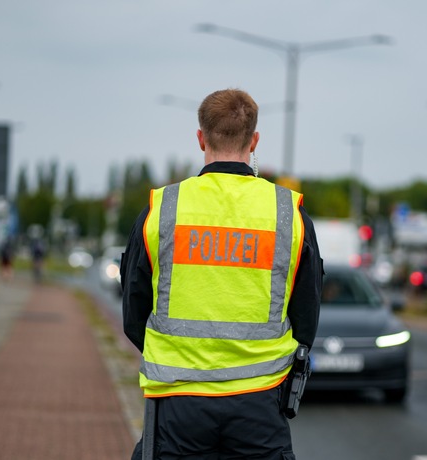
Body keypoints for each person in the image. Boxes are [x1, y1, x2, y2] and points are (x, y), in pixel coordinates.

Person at [120, 88, 323, 459]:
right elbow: (307, 316)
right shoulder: (288, 215)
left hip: (179, 403)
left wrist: (180, 360)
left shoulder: (163, 208)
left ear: (201, 138)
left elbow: (133, 311)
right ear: (255, 140)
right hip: (259, 403)